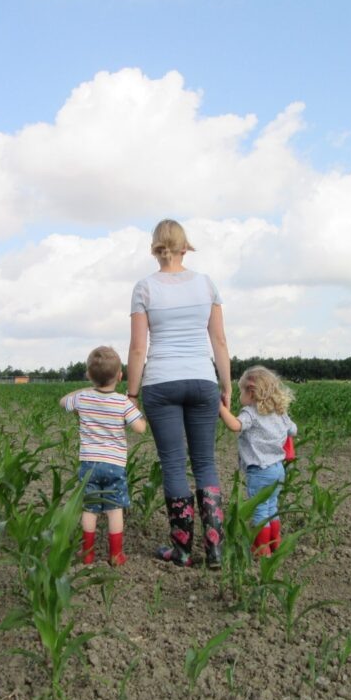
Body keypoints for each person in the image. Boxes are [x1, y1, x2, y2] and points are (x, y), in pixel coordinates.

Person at [126, 219, 232, 569]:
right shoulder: (206, 284)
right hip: (203, 380)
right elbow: (219, 341)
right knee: (205, 463)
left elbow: (138, 349)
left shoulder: (144, 288)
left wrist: (132, 392)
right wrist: (226, 385)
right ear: (185, 246)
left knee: (173, 464)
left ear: (156, 249)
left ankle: (183, 551)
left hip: (160, 382)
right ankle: (215, 549)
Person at [60, 346, 147, 566]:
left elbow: (63, 402)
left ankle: (87, 553)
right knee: (114, 509)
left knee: (89, 508)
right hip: (114, 465)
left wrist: (85, 389)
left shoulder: (83, 398)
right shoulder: (121, 402)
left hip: (89, 463)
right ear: (120, 376)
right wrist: (141, 417)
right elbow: (140, 429)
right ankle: (116, 554)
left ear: (89, 375)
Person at [218, 365, 298, 555]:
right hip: (278, 469)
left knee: (259, 509)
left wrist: (220, 408)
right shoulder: (280, 413)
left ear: (251, 392)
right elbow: (293, 430)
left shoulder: (250, 413)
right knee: (272, 507)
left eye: (241, 391)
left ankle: (261, 549)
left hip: (259, 470)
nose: (240, 397)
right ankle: (274, 544)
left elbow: (235, 426)